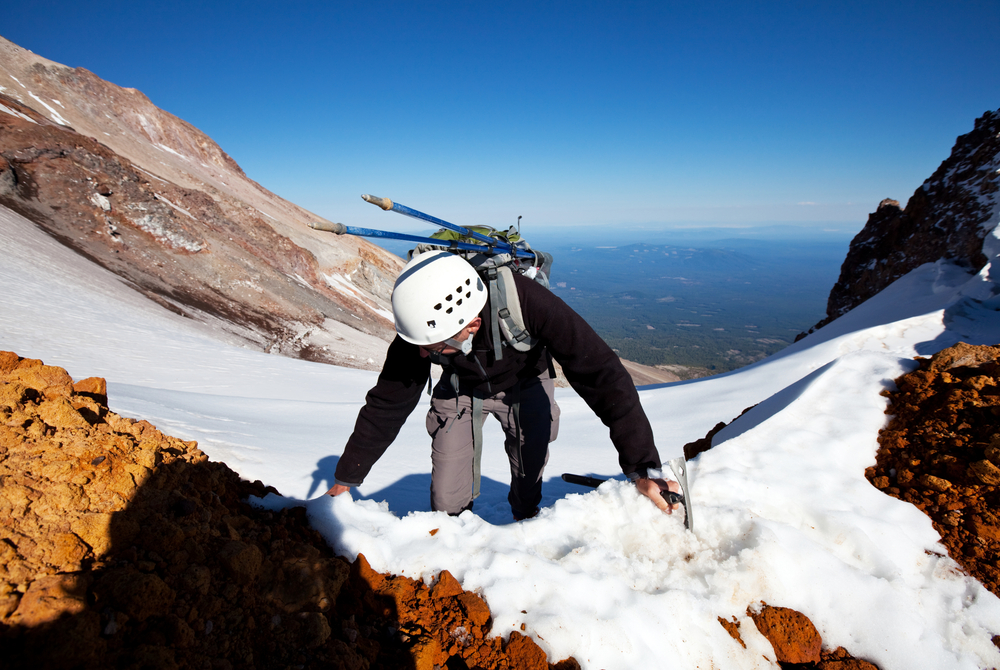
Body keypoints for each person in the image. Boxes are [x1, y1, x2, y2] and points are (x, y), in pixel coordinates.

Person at [326, 250, 680, 518]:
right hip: (461, 388)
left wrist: (644, 469)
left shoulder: (528, 302)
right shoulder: (425, 328)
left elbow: (603, 374)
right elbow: (387, 404)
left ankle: (523, 525)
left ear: (471, 326)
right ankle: (455, 550)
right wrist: (347, 476)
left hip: (525, 383)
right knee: (447, 501)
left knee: (528, 485)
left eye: (433, 349)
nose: (421, 355)